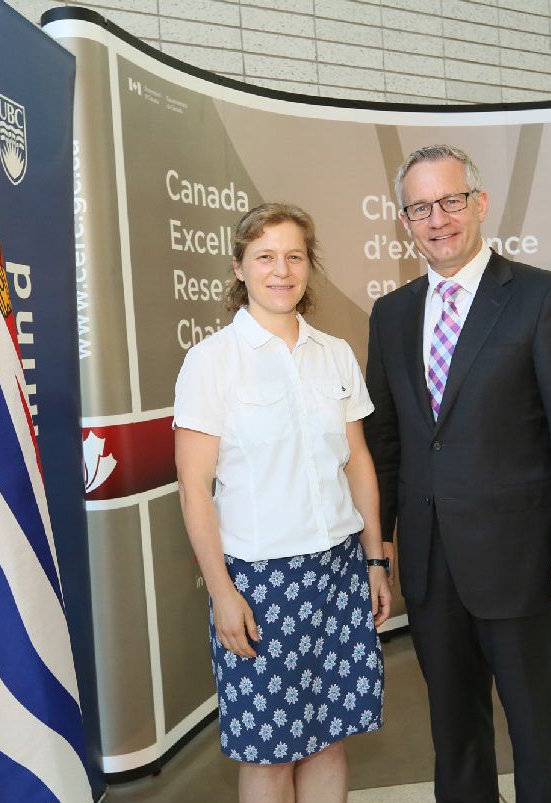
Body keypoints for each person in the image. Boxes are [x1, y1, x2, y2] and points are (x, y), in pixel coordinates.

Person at [363, 145, 551, 803]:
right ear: (405, 219)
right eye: (420, 207)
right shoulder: (391, 316)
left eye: (450, 201)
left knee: (538, 729)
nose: (437, 219)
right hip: (432, 563)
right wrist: (378, 549)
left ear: (479, 203)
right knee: (455, 731)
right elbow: (386, 444)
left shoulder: (542, 299)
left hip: (523, 563)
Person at [174, 202, 392, 803]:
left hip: (339, 572)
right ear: (240, 268)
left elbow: (358, 463)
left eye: (294, 256)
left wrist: (375, 560)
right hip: (257, 583)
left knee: (329, 737)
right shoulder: (211, 362)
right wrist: (222, 593)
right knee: (268, 754)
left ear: (309, 265)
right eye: (265, 256)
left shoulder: (335, 353)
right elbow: (194, 489)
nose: (282, 269)